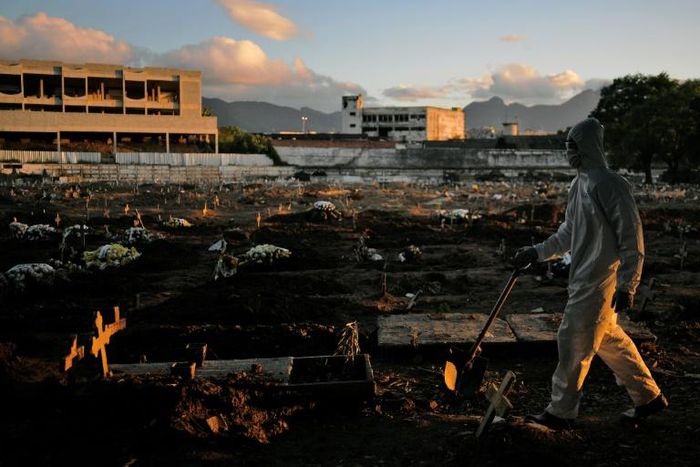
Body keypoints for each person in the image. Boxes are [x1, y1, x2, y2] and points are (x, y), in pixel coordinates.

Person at [514, 117, 667, 429]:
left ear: (589, 146)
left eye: (574, 145)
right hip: (583, 279)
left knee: (573, 342)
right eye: (568, 145)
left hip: (602, 282)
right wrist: (538, 251)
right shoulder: (579, 184)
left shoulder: (610, 185)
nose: (570, 151)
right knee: (610, 340)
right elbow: (568, 232)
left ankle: (561, 412)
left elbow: (631, 238)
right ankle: (649, 398)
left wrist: (629, 284)